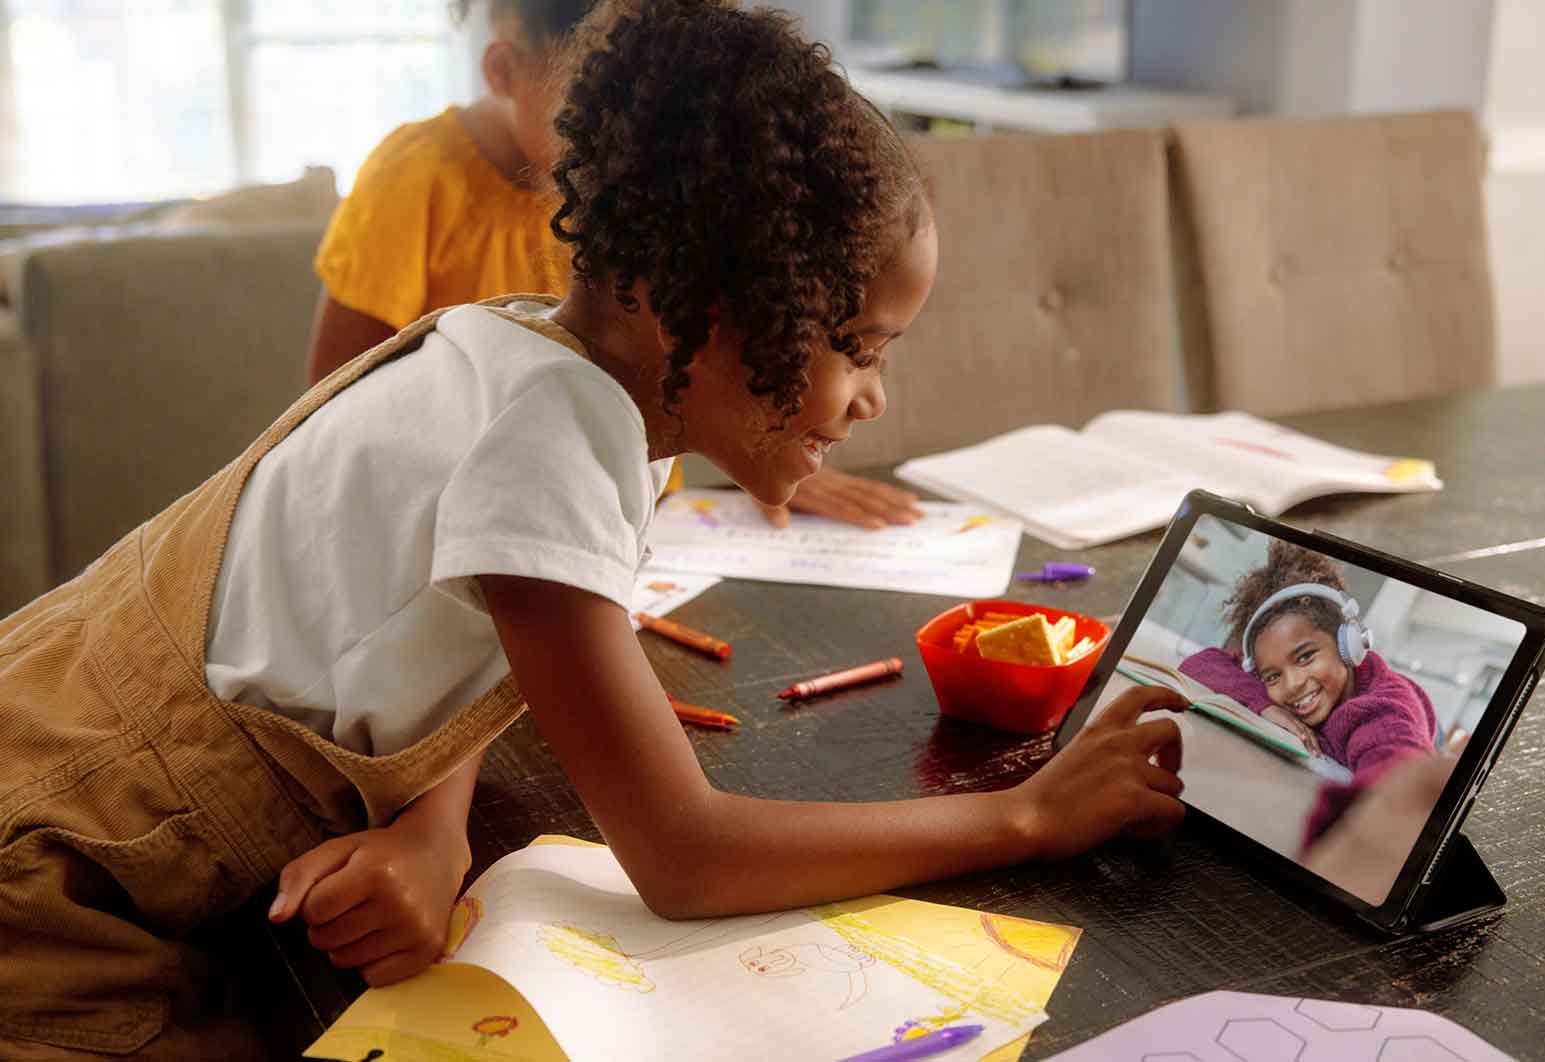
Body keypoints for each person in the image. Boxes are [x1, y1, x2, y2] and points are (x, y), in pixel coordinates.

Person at [0, 2, 1188, 1056]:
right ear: (700, 315)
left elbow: (442, 638)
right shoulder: (551, 439)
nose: (874, 398)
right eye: (857, 348)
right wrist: (1027, 815)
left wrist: (434, 831)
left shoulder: (518, 352)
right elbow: (685, 857)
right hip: (49, 874)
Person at [305, 0, 923, 530]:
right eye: (608, 104)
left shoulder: (660, 209)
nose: (644, 146)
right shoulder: (420, 179)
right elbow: (335, 412)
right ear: (504, 69)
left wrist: (770, 444)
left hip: (643, 531)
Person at [1178, 539, 1438, 844]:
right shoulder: (1279, 685)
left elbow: (1400, 783)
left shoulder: (1381, 710)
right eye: (1272, 675)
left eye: (1305, 657)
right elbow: (1201, 663)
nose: (1292, 684)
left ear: (1348, 645)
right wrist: (1265, 706)